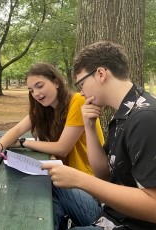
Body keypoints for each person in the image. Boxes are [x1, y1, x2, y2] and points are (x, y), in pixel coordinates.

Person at [42, 41, 156, 229]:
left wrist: (80, 180)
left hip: (129, 224)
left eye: (82, 83)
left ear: (101, 74)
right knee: (48, 183)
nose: (81, 91)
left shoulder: (144, 118)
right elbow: (103, 174)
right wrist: (89, 125)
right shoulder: (124, 113)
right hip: (110, 213)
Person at [0, 62, 105, 175]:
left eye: (40, 86)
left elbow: (62, 148)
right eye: (31, 90)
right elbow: (17, 130)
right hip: (65, 177)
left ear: (56, 82)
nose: (36, 94)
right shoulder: (44, 109)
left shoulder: (78, 101)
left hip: (86, 180)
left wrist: (23, 143)